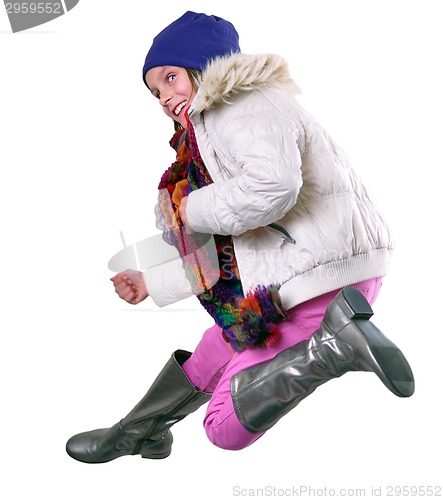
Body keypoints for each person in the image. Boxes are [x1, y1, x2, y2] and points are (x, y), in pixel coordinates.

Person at [66, 11, 414, 463]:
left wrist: (187, 209)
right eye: (155, 92)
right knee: (213, 351)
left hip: (317, 279)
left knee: (224, 428)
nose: (165, 97)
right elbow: (234, 256)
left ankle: (332, 347)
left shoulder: (240, 102)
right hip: (302, 274)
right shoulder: (214, 130)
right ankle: (140, 432)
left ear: (204, 65)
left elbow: (272, 187)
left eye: (171, 78)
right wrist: (152, 282)